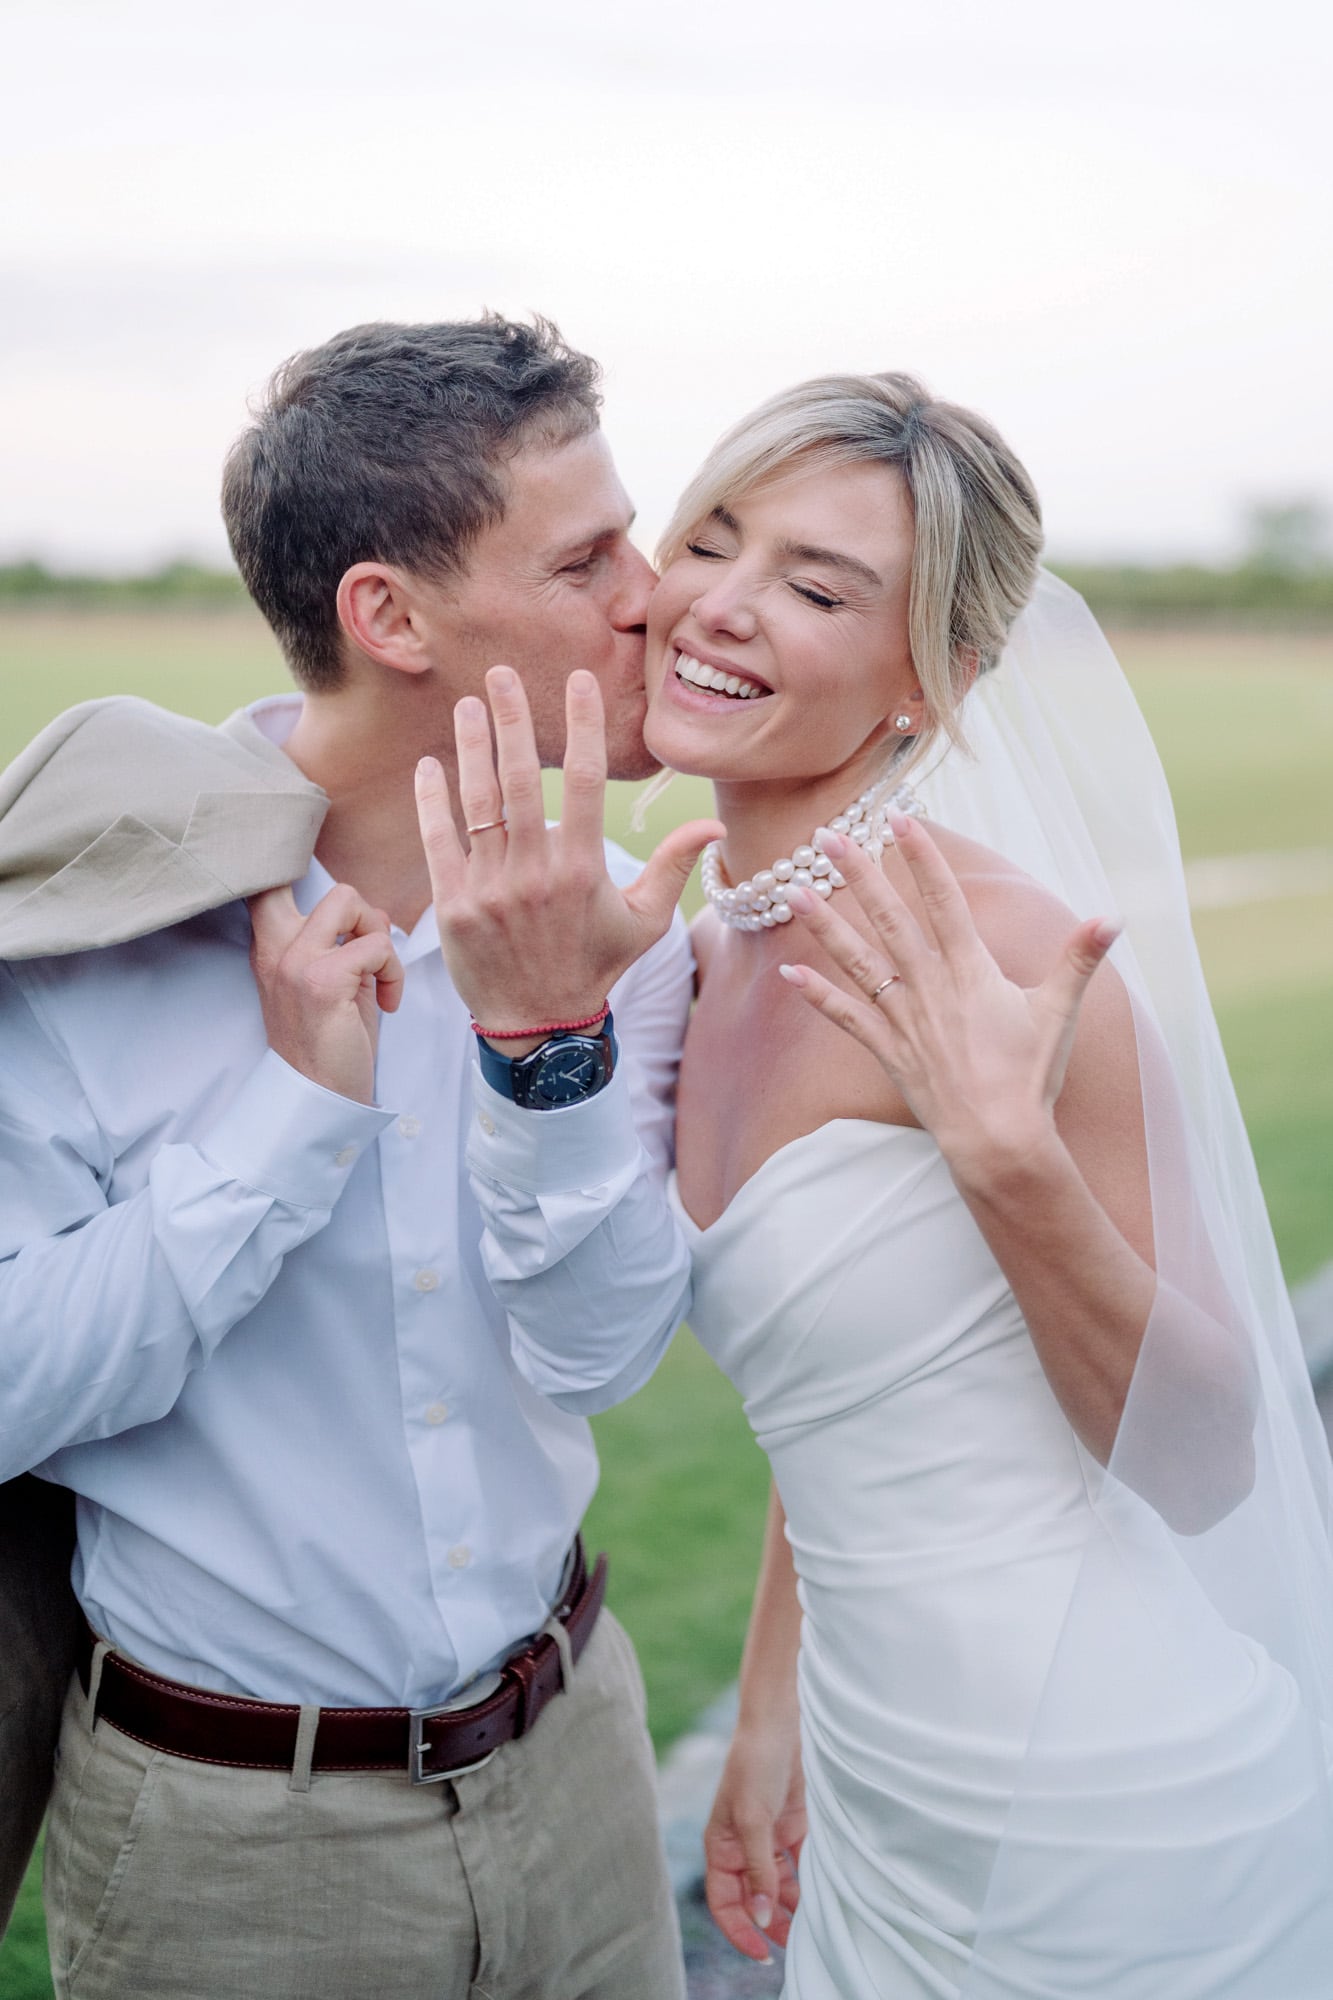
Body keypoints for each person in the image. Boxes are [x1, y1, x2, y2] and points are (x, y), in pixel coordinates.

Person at [0, 316, 719, 1999]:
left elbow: (602, 1353)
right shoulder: (81, 939)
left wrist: (549, 1047)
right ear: (389, 615)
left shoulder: (628, 931)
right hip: (233, 1851)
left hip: (579, 1765)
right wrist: (290, 1114)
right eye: (585, 559)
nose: (655, 596)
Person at [640, 372, 1333, 1996]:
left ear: (934, 680)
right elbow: (854, 1388)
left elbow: (1204, 1453)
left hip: (1096, 1802)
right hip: (879, 1796)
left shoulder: (1012, 955)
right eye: (711, 542)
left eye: (815, 588)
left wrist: (1009, 1164)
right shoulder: (708, 951)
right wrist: (768, 1710)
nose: (720, 610)